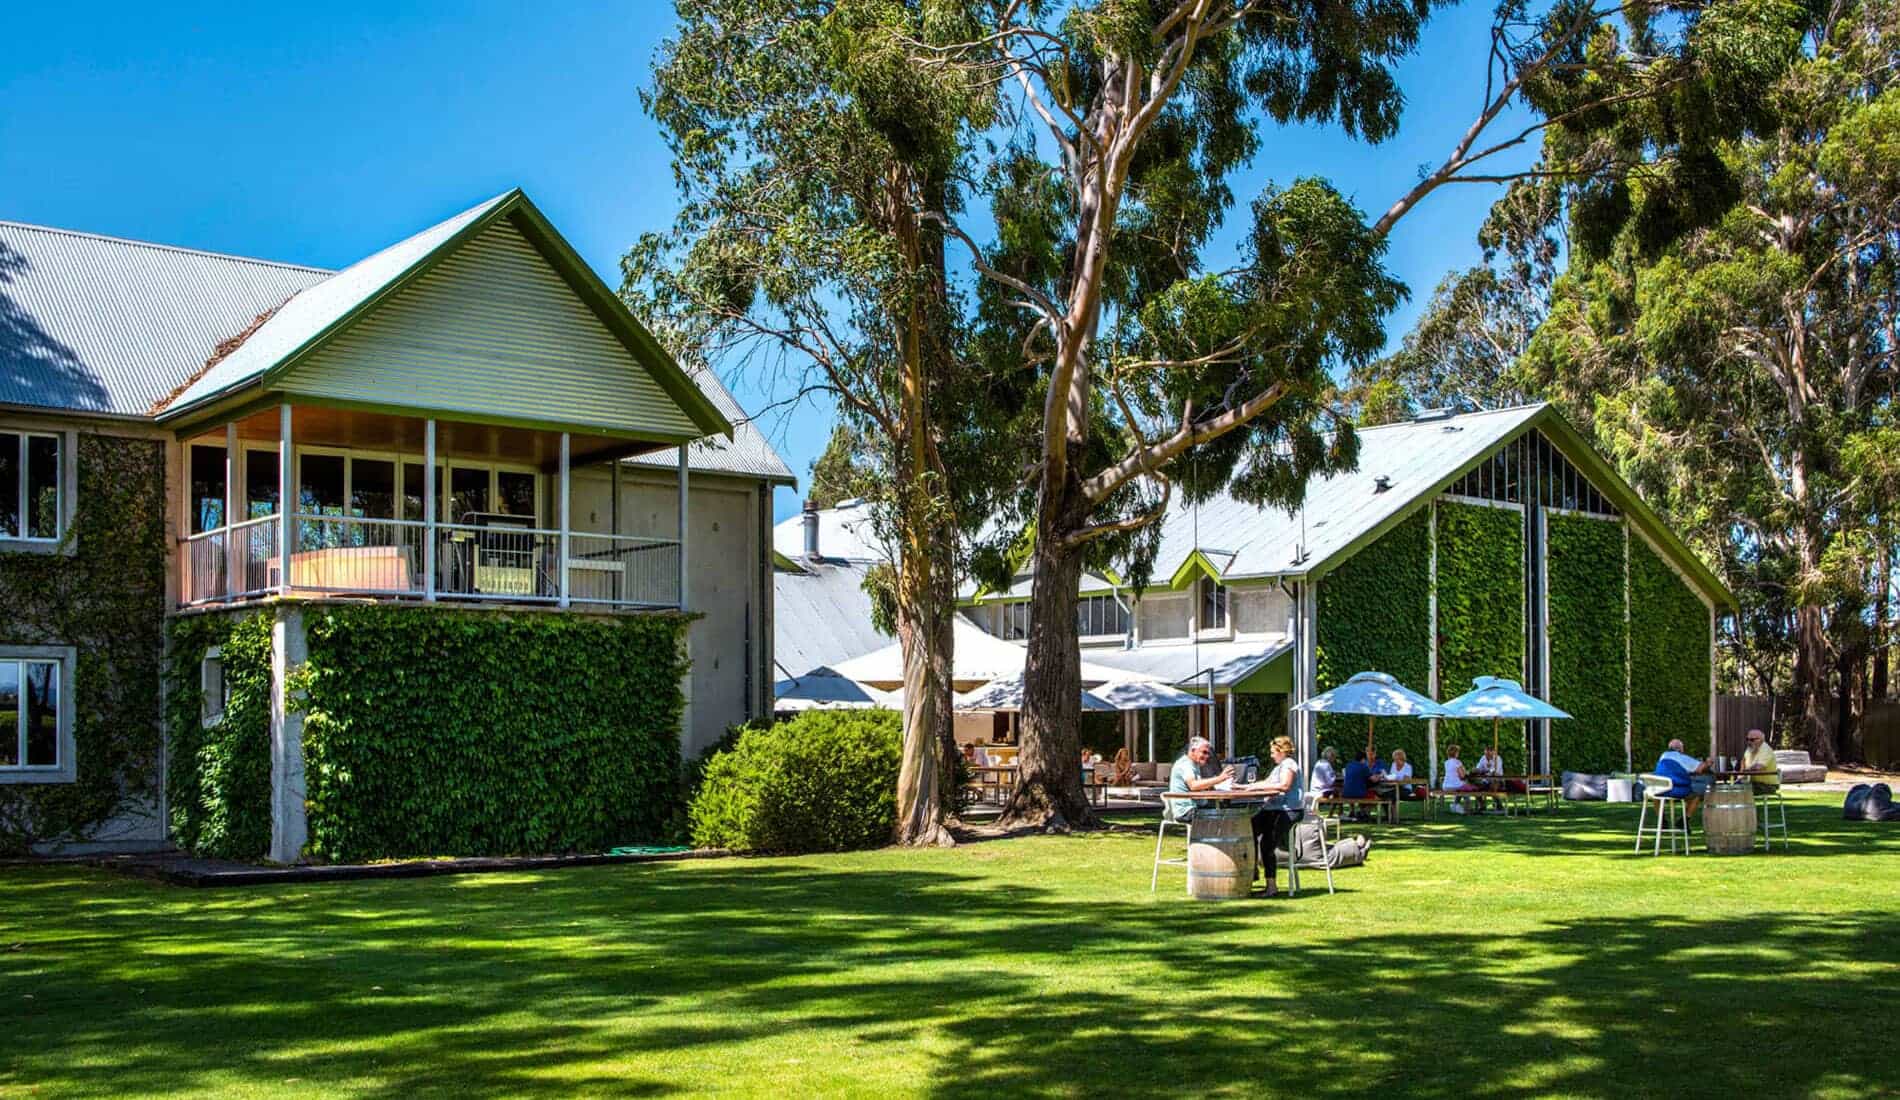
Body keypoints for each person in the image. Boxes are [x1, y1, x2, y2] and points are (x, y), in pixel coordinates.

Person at [1238, 735, 1304, 898]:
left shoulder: (1289, 764)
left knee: (1267, 844)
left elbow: (1285, 785)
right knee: (1248, 828)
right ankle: (1252, 869)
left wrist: (1254, 789)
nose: (1271, 755)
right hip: (1273, 809)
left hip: (1287, 810)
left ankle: (1271, 887)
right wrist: (1245, 787)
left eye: (1273, 752)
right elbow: (1267, 782)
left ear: (1282, 751)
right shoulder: (1279, 766)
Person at [1165, 736, 1234, 824]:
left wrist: (1234, 785)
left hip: (1195, 807)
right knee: (1225, 817)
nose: (1207, 756)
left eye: (1208, 753)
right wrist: (1220, 778)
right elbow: (1193, 785)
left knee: (1223, 813)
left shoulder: (1194, 764)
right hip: (1187, 812)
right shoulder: (1185, 764)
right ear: (1193, 750)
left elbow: (1199, 786)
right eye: (1204, 752)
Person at [1654, 738, 1713, 815]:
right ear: (1680, 749)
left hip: (1659, 789)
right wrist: (1708, 763)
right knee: (1696, 796)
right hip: (1674, 790)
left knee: (1656, 797)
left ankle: (1662, 820)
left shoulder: (1663, 756)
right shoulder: (1681, 757)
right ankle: (1684, 820)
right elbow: (1700, 769)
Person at [1739, 729, 1780, 796]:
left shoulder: (1765, 749)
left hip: (1768, 785)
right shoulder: (1749, 749)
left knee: (1738, 789)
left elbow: (1759, 767)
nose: (1749, 742)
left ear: (1761, 740)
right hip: (1754, 783)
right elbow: (1743, 761)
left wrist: (1746, 770)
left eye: (1752, 740)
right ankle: (1745, 806)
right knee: (1731, 787)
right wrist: (1741, 776)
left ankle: (1746, 806)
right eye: (1747, 739)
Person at [1441, 744, 1474, 814]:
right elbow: (1462, 776)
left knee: (1461, 789)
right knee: (1467, 788)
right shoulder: (1457, 762)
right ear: (1456, 753)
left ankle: (1455, 805)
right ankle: (1467, 809)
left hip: (1445, 786)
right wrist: (1468, 772)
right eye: (1458, 752)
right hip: (1455, 785)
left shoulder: (1446, 762)